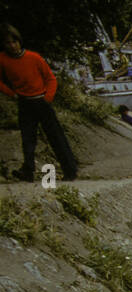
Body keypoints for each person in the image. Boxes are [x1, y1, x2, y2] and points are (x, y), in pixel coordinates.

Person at [0, 23, 77, 182]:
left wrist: (47, 98)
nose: (12, 46)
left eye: (14, 42)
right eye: (8, 43)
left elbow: (50, 79)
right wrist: (11, 94)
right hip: (24, 102)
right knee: (28, 138)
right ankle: (28, 171)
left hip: (41, 101)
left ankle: (70, 171)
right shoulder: (2, 59)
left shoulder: (34, 57)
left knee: (56, 136)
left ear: (19, 41)